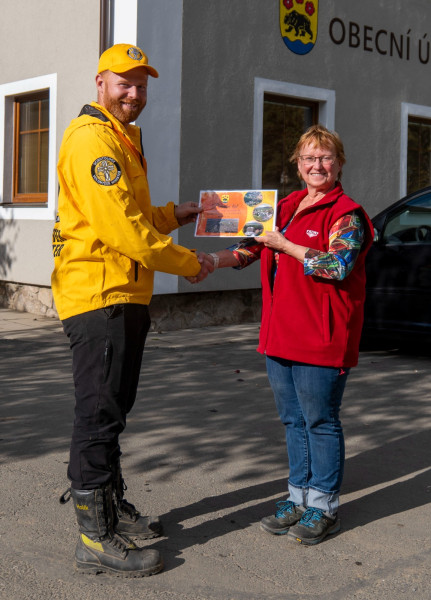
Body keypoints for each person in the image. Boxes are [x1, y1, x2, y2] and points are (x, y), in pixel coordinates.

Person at [51, 43, 212, 577]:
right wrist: (194, 263)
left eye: (142, 85)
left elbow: (135, 216)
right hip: (101, 298)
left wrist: (176, 214)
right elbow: (123, 230)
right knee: (97, 416)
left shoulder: (122, 138)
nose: (135, 94)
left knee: (110, 413)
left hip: (123, 295)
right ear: (100, 82)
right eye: (125, 83)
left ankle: (110, 511)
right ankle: (94, 538)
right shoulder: (91, 140)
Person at [195, 125, 374, 545]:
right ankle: (297, 498)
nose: (317, 165)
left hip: (321, 337)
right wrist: (209, 261)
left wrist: (287, 245)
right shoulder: (286, 205)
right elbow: (251, 247)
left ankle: (324, 506)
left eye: (325, 158)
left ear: (339, 164)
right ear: (297, 164)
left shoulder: (347, 213)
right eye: (309, 158)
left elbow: (336, 266)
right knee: (293, 420)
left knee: (321, 421)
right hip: (279, 334)